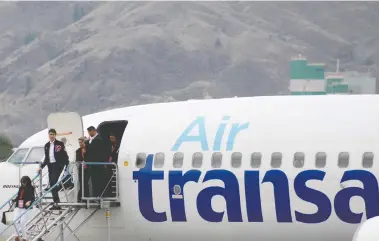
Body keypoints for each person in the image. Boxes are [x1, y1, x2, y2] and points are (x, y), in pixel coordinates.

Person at [37, 128, 69, 210]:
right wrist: (41, 167)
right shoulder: (47, 145)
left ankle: (56, 203)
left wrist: (66, 165)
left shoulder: (59, 144)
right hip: (50, 166)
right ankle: (56, 203)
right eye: (50, 134)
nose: (51, 136)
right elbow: (46, 158)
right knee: (52, 184)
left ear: (55, 135)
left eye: (52, 134)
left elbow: (65, 155)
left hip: (57, 165)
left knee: (54, 182)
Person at [86, 126, 108, 198]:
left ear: (93, 131)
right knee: (94, 181)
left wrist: (86, 144)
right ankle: (96, 195)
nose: (89, 133)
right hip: (93, 164)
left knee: (98, 180)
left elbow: (94, 150)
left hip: (98, 164)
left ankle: (99, 195)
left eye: (90, 131)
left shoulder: (98, 139)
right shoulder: (92, 139)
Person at [13, 176, 35, 241]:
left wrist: (29, 201)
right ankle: (17, 235)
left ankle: (24, 238)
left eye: (24, 182)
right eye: (22, 182)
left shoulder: (31, 188)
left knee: (22, 222)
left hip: (25, 207)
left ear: (27, 182)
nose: (23, 184)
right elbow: (19, 195)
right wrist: (14, 200)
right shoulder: (21, 187)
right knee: (15, 220)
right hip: (18, 205)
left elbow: (33, 198)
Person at [104, 133, 119, 197]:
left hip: (115, 165)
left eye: (112, 138)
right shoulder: (108, 147)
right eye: (110, 138)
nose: (111, 140)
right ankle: (109, 194)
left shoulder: (118, 147)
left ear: (115, 139)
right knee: (108, 181)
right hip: (109, 166)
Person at [76, 137, 90, 202]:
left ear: (84, 142)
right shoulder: (78, 151)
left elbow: (90, 158)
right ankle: (80, 197)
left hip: (88, 169)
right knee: (81, 183)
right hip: (81, 169)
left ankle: (85, 197)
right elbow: (77, 160)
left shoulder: (89, 149)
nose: (80, 144)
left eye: (81, 142)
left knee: (86, 183)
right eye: (79, 142)